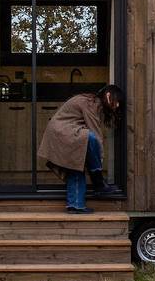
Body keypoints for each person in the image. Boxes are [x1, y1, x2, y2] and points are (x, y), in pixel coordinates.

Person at [36, 84, 123, 213]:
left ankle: (76, 205)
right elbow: (96, 134)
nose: (117, 106)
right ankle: (98, 182)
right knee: (91, 138)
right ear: (109, 96)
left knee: (76, 164)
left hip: (64, 133)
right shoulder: (91, 103)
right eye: (117, 102)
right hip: (63, 131)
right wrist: (99, 158)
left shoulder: (93, 103)